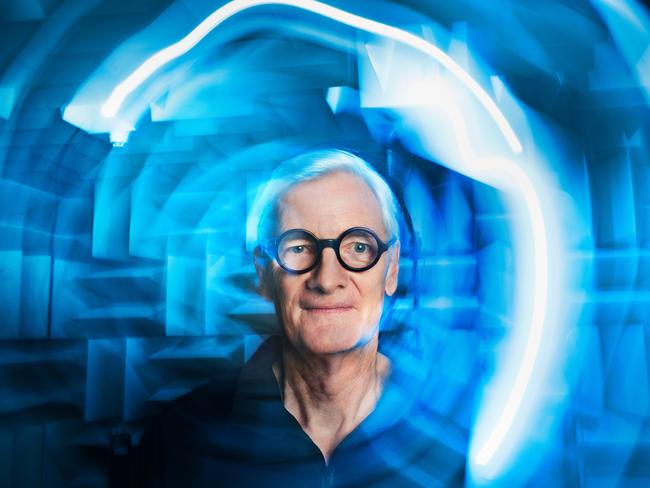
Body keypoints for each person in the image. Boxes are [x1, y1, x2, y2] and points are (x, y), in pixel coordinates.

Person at [128, 149, 466, 487]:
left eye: (359, 247)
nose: (327, 279)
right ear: (263, 274)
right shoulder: (179, 442)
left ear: (391, 269)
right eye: (299, 247)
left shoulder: (457, 440)